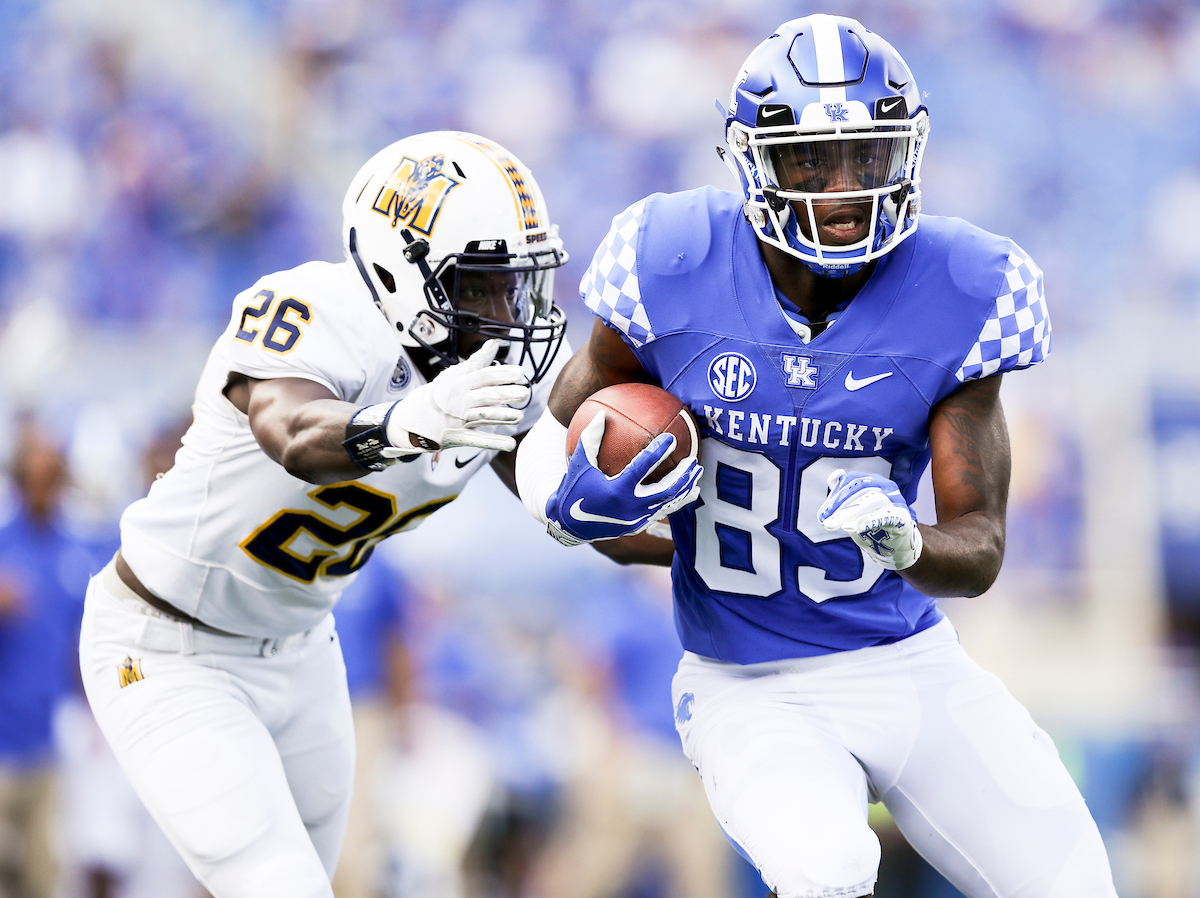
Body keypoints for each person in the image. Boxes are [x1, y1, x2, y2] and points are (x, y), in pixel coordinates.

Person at [515, 15, 1118, 898]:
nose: (842, 190)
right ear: (755, 162)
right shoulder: (671, 258)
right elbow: (555, 431)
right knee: (825, 870)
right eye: (812, 162)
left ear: (904, 156)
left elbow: (980, 549)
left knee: (1072, 880)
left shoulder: (961, 287)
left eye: (865, 160)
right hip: (746, 681)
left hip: (904, 662)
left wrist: (907, 544)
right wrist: (562, 505)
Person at [79, 130, 668, 898]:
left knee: (322, 880)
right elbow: (291, 433)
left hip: (303, 650)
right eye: (484, 285)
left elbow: (576, 510)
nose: (510, 311)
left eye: (520, 284)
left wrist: (718, 541)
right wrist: (403, 422)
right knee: (277, 883)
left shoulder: (483, 371)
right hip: (166, 645)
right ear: (401, 269)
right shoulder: (315, 311)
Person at [0, 422, 79, 898]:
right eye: (36, 475)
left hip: (49, 737)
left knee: (42, 873)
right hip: (1, 736)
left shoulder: (76, 549)